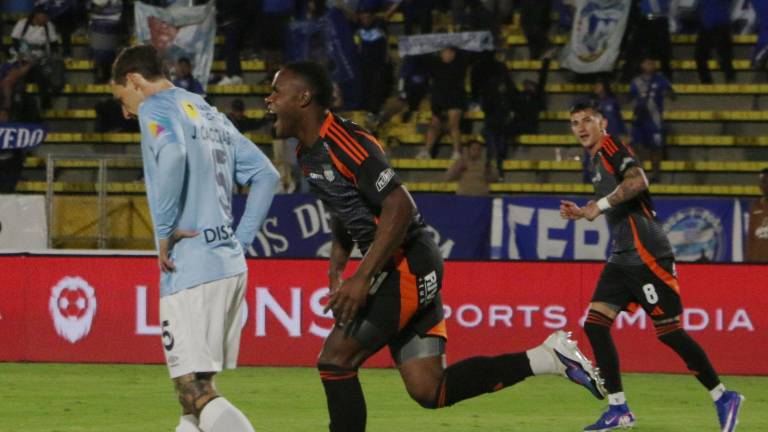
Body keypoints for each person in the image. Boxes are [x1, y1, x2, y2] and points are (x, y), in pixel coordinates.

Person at [265, 60, 606, 432]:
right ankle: (546, 358)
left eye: (276, 92)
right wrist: (336, 271)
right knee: (430, 389)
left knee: (335, 361)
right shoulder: (307, 154)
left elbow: (400, 205)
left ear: (303, 98)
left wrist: (361, 278)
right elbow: (345, 211)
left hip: (406, 263)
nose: (268, 100)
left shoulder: (346, 142)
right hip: (403, 266)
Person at [111, 45, 279, 432]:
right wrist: (242, 240)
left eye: (123, 98)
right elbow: (266, 175)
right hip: (227, 264)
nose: (125, 110)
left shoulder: (157, 108)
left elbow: (171, 155)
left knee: (193, 391)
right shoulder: (208, 111)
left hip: (192, 268)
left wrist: (165, 230)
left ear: (135, 81)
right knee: (193, 402)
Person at [560, 101, 744, 432]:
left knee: (669, 332)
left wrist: (598, 205)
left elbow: (637, 182)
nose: (582, 127)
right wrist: (588, 210)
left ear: (602, 123)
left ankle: (723, 397)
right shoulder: (595, 160)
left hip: (646, 252)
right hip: (622, 254)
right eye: (575, 123)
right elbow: (618, 198)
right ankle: (619, 409)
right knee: (595, 324)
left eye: (588, 120)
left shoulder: (612, 147)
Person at [418, 46, 468, 160]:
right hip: (439, 99)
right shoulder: (435, 65)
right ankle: (426, 151)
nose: (447, 55)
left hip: (456, 99)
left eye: (450, 52)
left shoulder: (459, 64)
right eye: (445, 52)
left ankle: (456, 152)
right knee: (433, 125)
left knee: (453, 123)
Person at [630, 57, 674, 183]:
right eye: (647, 63)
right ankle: (640, 174)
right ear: (642, 65)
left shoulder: (660, 79)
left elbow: (672, 95)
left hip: (655, 121)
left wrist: (668, 91)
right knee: (637, 147)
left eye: (652, 63)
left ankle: (655, 174)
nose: (650, 65)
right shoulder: (636, 81)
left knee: (656, 149)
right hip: (640, 120)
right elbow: (628, 98)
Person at [695, 0, 735, 83]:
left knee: (724, 55)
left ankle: (729, 77)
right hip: (708, 25)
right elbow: (699, 7)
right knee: (699, 55)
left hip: (720, 24)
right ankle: (707, 81)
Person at [746, 168, 768, 262]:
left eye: (765, 182)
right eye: (761, 182)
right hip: (757, 265)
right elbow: (751, 239)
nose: (762, 186)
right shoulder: (755, 206)